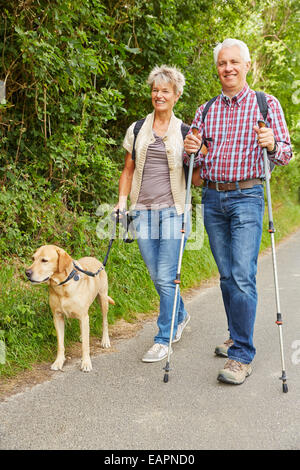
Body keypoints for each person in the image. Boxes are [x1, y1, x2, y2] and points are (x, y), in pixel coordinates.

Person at [184, 38, 292, 385]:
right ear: (217, 68)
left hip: (248, 196)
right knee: (227, 276)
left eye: (234, 62)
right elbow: (193, 163)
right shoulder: (206, 110)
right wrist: (190, 150)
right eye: (222, 63)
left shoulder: (266, 104)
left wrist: (272, 143)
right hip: (213, 200)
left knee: (243, 274)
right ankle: (235, 334)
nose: (227, 68)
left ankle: (242, 355)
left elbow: (285, 153)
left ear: (247, 66)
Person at [115, 65, 191, 363]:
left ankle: (163, 337)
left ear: (176, 95)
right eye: (155, 90)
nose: (159, 95)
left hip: (173, 212)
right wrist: (122, 202)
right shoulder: (137, 129)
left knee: (166, 275)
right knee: (157, 275)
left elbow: (196, 177)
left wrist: (203, 155)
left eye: (165, 91)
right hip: (142, 212)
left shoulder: (186, 132)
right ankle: (181, 313)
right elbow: (128, 169)